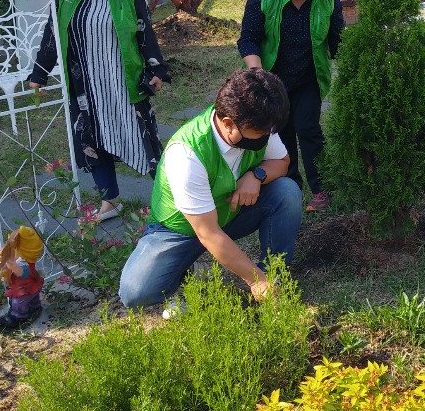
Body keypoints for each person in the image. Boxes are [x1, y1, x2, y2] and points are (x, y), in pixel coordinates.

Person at [119, 68, 302, 308]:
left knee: (286, 192)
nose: (265, 138)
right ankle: (187, 268)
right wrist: (254, 280)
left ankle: (274, 276)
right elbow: (209, 233)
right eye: (259, 134)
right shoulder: (187, 154)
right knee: (136, 292)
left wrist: (257, 175)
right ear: (228, 123)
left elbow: (282, 162)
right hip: (181, 230)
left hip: (229, 213)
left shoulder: (258, 121)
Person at [29, 0, 169, 221]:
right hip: (85, 84)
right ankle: (110, 201)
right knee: (92, 140)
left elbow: (144, 31)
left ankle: (172, 198)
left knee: (144, 140)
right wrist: (40, 72)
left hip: (123, 81)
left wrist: (156, 69)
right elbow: (53, 31)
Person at [238, 0, 344, 212]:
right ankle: (290, 187)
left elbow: (338, 41)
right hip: (273, 80)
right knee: (280, 134)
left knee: (309, 130)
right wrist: (258, 75)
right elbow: (248, 39)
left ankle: (322, 190)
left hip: (309, 77)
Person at [0, 226, 45, 329]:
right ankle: (35, 307)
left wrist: (13, 266)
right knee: (32, 299)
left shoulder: (23, 263)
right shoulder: (22, 260)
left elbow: (23, 273)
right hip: (30, 287)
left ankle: (18, 317)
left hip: (24, 290)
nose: (13, 252)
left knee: (17, 303)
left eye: (15, 250)